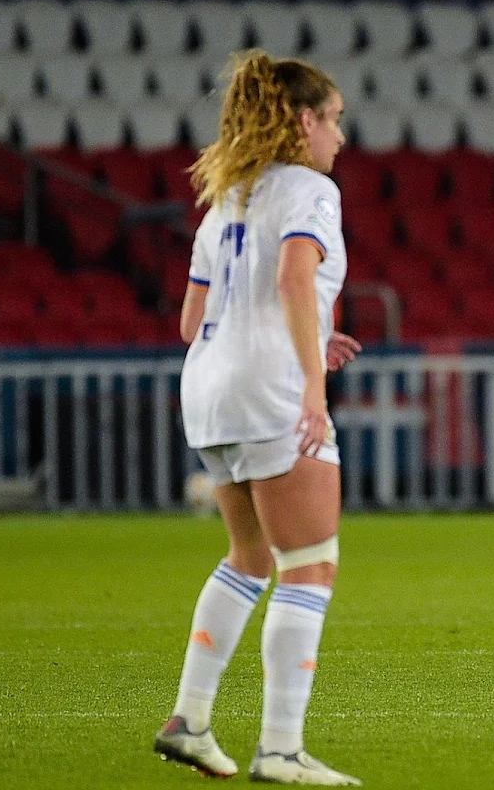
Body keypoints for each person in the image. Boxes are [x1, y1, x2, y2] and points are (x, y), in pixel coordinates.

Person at [152, 51, 362, 786]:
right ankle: (279, 748)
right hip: (269, 388)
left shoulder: (227, 197)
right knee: (310, 566)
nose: (341, 135)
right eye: (333, 119)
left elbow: (191, 320)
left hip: (207, 388)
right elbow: (294, 274)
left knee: (251, 556)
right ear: (303, 121)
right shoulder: (309, 189)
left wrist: (303, 332)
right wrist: (311, 381)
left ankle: (191, 719)